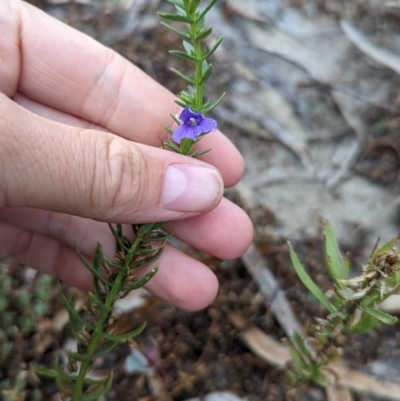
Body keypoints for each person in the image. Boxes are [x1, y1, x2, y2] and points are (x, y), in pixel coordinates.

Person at [0, 0, 253, 311]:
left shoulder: (196, 124)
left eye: (194, 121)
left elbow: (196, 124)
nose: (190, 122)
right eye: (189, 120)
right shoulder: (184, 125)